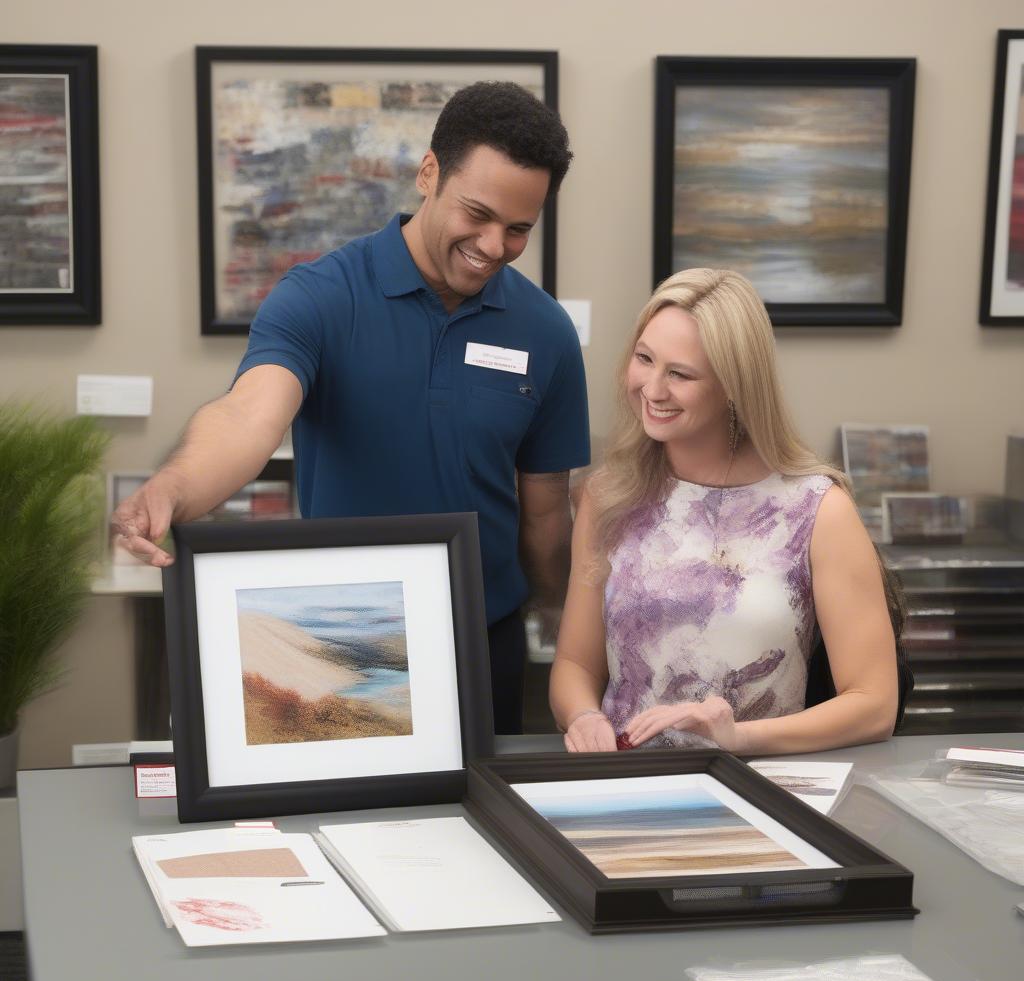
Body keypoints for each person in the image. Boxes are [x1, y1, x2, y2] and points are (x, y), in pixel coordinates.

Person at [112, 82, 590, 734]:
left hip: (485, 639)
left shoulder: (546, 332)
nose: (492, 244)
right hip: (345, 647)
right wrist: (170, 487)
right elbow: (248, 417)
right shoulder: (322, 297)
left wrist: (567, 624)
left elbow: (544, 517)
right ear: (429, 174)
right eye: (476, 214)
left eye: (518, 229)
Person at [550, 268, 898, 754]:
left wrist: (737, 737)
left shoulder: (818, 510)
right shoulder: (609, 497)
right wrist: (584, 716)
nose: (652, 389)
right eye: (644, 359)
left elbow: (874, 704)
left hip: (759, 790)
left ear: (734, 385)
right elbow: (576, 665)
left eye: (680, 373)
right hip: (626, 785)